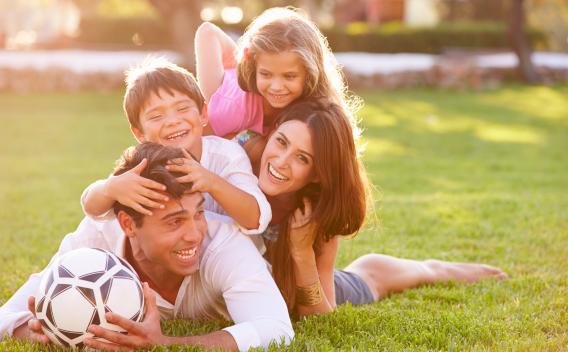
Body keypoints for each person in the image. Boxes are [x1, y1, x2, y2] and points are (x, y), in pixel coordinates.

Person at [0, 143, 294, 351]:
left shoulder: (224, 243)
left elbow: (276, 329)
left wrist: (167, 344)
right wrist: (36, 332)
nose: (195, 234)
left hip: (287, 279)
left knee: (341, 282)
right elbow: (7, 316)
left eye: (199, 213)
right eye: (174, 222)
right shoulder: (94, 245)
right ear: (128, 224)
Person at [244, 98, 508, 317]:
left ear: (316, 174)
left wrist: (301, 252)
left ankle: (437, 268)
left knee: (373, 275)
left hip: (330, 284)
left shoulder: (313, 215)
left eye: (302, 158)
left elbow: (318, 318)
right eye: (281, 141)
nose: (281, 161)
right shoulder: (237, 161)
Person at [81, 57, 271, 235]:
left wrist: (211, 182)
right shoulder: (144, 164)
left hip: (227, 252)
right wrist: (110, 188)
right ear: (139, 133)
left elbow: (257, 219)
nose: (173, 121)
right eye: (156, 116)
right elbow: (93, 210)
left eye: (182, 109)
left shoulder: (227, 155)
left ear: (203, 113)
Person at [194, 7, 360, 149]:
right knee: (257, 146)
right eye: (265, 74)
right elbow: (207, 31)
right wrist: (240, 62)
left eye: (289, 76)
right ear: (254, 67)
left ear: (310, 74)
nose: (276, 86)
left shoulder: (319, 109)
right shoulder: (229, 107)